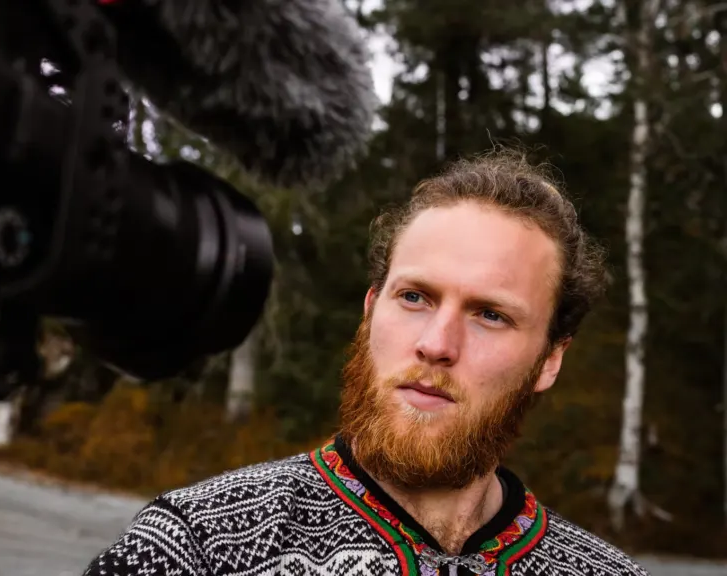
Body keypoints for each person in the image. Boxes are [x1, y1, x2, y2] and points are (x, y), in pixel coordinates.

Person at [81, 150, 650, 576]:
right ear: (370, 311)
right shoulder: (197, 550)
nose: (436, 343)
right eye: (415, 297)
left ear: (550, 360)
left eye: (490, 315)